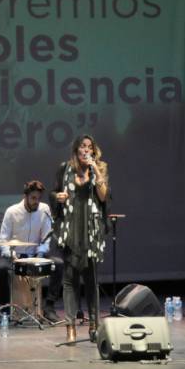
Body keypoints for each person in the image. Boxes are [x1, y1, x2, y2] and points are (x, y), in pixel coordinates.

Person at [50, 134, 109, 344]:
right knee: (69, 281)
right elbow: (53, 192)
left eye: (90, 147)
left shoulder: (100, 168)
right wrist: (57, 197)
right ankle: (70, 326)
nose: (86, 150)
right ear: (76, 149)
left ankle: (94, 325)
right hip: (71, 229)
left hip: (90, 230)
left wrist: (96, 170)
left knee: (91, 281)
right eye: (83, 146)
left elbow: (103, 196)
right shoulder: (65, 169)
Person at [0, 180, 63, 323]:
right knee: (1, 268)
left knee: (58, 264)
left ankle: (49, 307)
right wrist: (11, 255)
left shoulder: (44, 210)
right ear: (25, 196)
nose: (36, 201)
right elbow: (3, 239)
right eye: (33, 198)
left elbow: (46, 237)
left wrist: (39, 254)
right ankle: (5, 311)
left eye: (38, 198)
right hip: (15, 255)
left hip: (36, 255)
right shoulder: (12, 211)